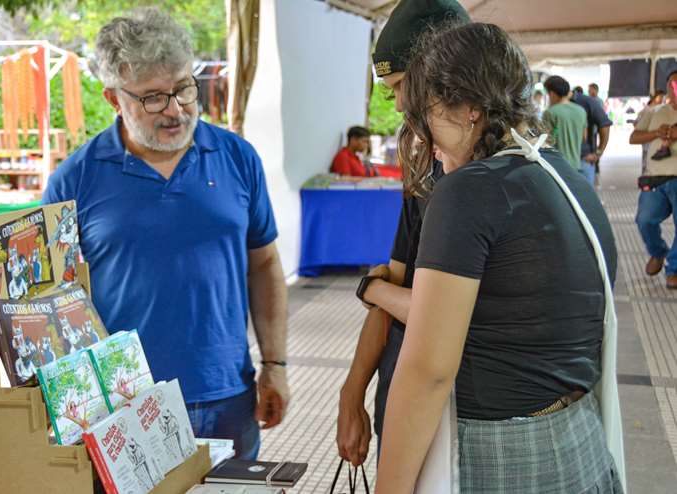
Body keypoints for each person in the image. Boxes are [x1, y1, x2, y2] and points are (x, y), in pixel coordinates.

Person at [375, 22, 621, 492]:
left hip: (504, 459)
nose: (427, 141)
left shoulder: (470, 191)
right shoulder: (564, 179)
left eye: (426, 114)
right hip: (583, 445)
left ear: (468, 109)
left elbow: (428, 369)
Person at [42, 8, 289, 459]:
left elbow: (266, 264)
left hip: (226, 394)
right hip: (121, 405)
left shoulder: (237, 158)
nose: (176, 110)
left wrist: (274, 364)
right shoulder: (74, 180)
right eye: (153, 97)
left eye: (183, 88)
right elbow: (54, 303)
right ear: (114, 99)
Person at [337, 0, 470, 467]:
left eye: (399, 87)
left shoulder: (498, 188)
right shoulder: (426, 172)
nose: (395, 104)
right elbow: (394, 283)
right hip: (400, 393)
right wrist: (352, 391)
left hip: (462, 417)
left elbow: (428, 315)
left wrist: (372, 288)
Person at [630, 70, 677, 289]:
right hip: (655, 177)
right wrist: (657, 133)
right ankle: (658, 252)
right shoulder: (655, 111)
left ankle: (673, 269)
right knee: (644, 220)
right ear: (667, 87)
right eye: (672, 84)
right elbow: (634, 137)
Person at [542, 75, 590, 184]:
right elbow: (584, 137)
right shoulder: (581, 111)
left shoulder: (550, 113)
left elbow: (545, 142)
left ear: (552, 94)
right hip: (577, 166)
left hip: (557, 168)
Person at [572, 84, 613, 188]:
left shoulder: (594, 101)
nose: (590, 92)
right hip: (584, 156)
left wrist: (598, 152)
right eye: (589, 90)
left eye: (591, 90)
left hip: (585, 155)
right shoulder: (591, 101)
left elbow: (604, 124)